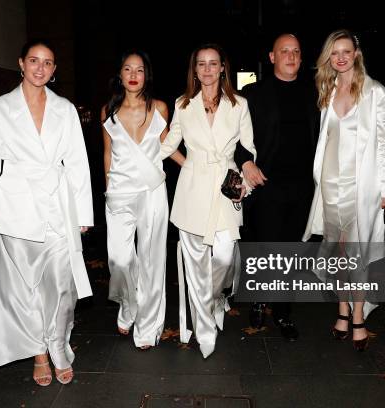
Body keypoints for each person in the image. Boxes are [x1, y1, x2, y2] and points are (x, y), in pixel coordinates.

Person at [0, 39, 93, 385]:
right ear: (21, 63)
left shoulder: (65, 109)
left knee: (60, 288)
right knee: (26, 290)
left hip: (57, 208)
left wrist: (83, 213)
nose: (40, 67)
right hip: (16, 209)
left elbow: (78, 164)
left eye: (48, 62)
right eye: (34, 60)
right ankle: (40, 352)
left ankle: (59, 347)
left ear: (54, 70)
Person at [160, 43, 256, 358]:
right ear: (195, 69)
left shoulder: (239, 104)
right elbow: (168, 143)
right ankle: (204, 331)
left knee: (225, 257)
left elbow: (248, 149)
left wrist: (246, 181)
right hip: (192, 188)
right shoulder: (183, 104)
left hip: (227, 185)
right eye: (201, 63)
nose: (207, 69)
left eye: (213, 63)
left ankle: (215, 299)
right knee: (195, 266)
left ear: (222, 68)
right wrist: (179, 159)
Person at [303, 29, 385, 351]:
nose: (340, 57)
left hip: (362, 186)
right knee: (340, 253)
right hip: (330, 185)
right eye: (334, 52)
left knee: (357, 255)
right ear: (329, 58)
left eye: (346, 51)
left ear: (356, 53)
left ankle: (358, 315)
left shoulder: (376, 93)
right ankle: (342, 310)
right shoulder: (327, 90)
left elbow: (384, 144)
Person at [234, 33, 320, 341]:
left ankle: (283, 311)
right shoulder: (252, 94)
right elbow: (235, 139)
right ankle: (259, 298)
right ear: (272, 57)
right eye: (284, 51)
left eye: (296, 51)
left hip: (302, 186)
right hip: (266, 184)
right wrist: (246, 163)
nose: (291, 56)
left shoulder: (316, 92)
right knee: (265, 247)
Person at [101, 50, 184, 350]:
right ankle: (128, 305)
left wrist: (191, 168)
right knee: (119, 259)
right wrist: (108, 188)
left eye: (139, 69)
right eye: (127, 69)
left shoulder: (160, 107)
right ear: (120, 75)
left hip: (152, 191)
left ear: (146, 75)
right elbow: (107, 154)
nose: (133, 74)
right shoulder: (107, 111)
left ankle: (148, 327)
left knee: (151, 261)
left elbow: (167, 147)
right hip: (120, 193)